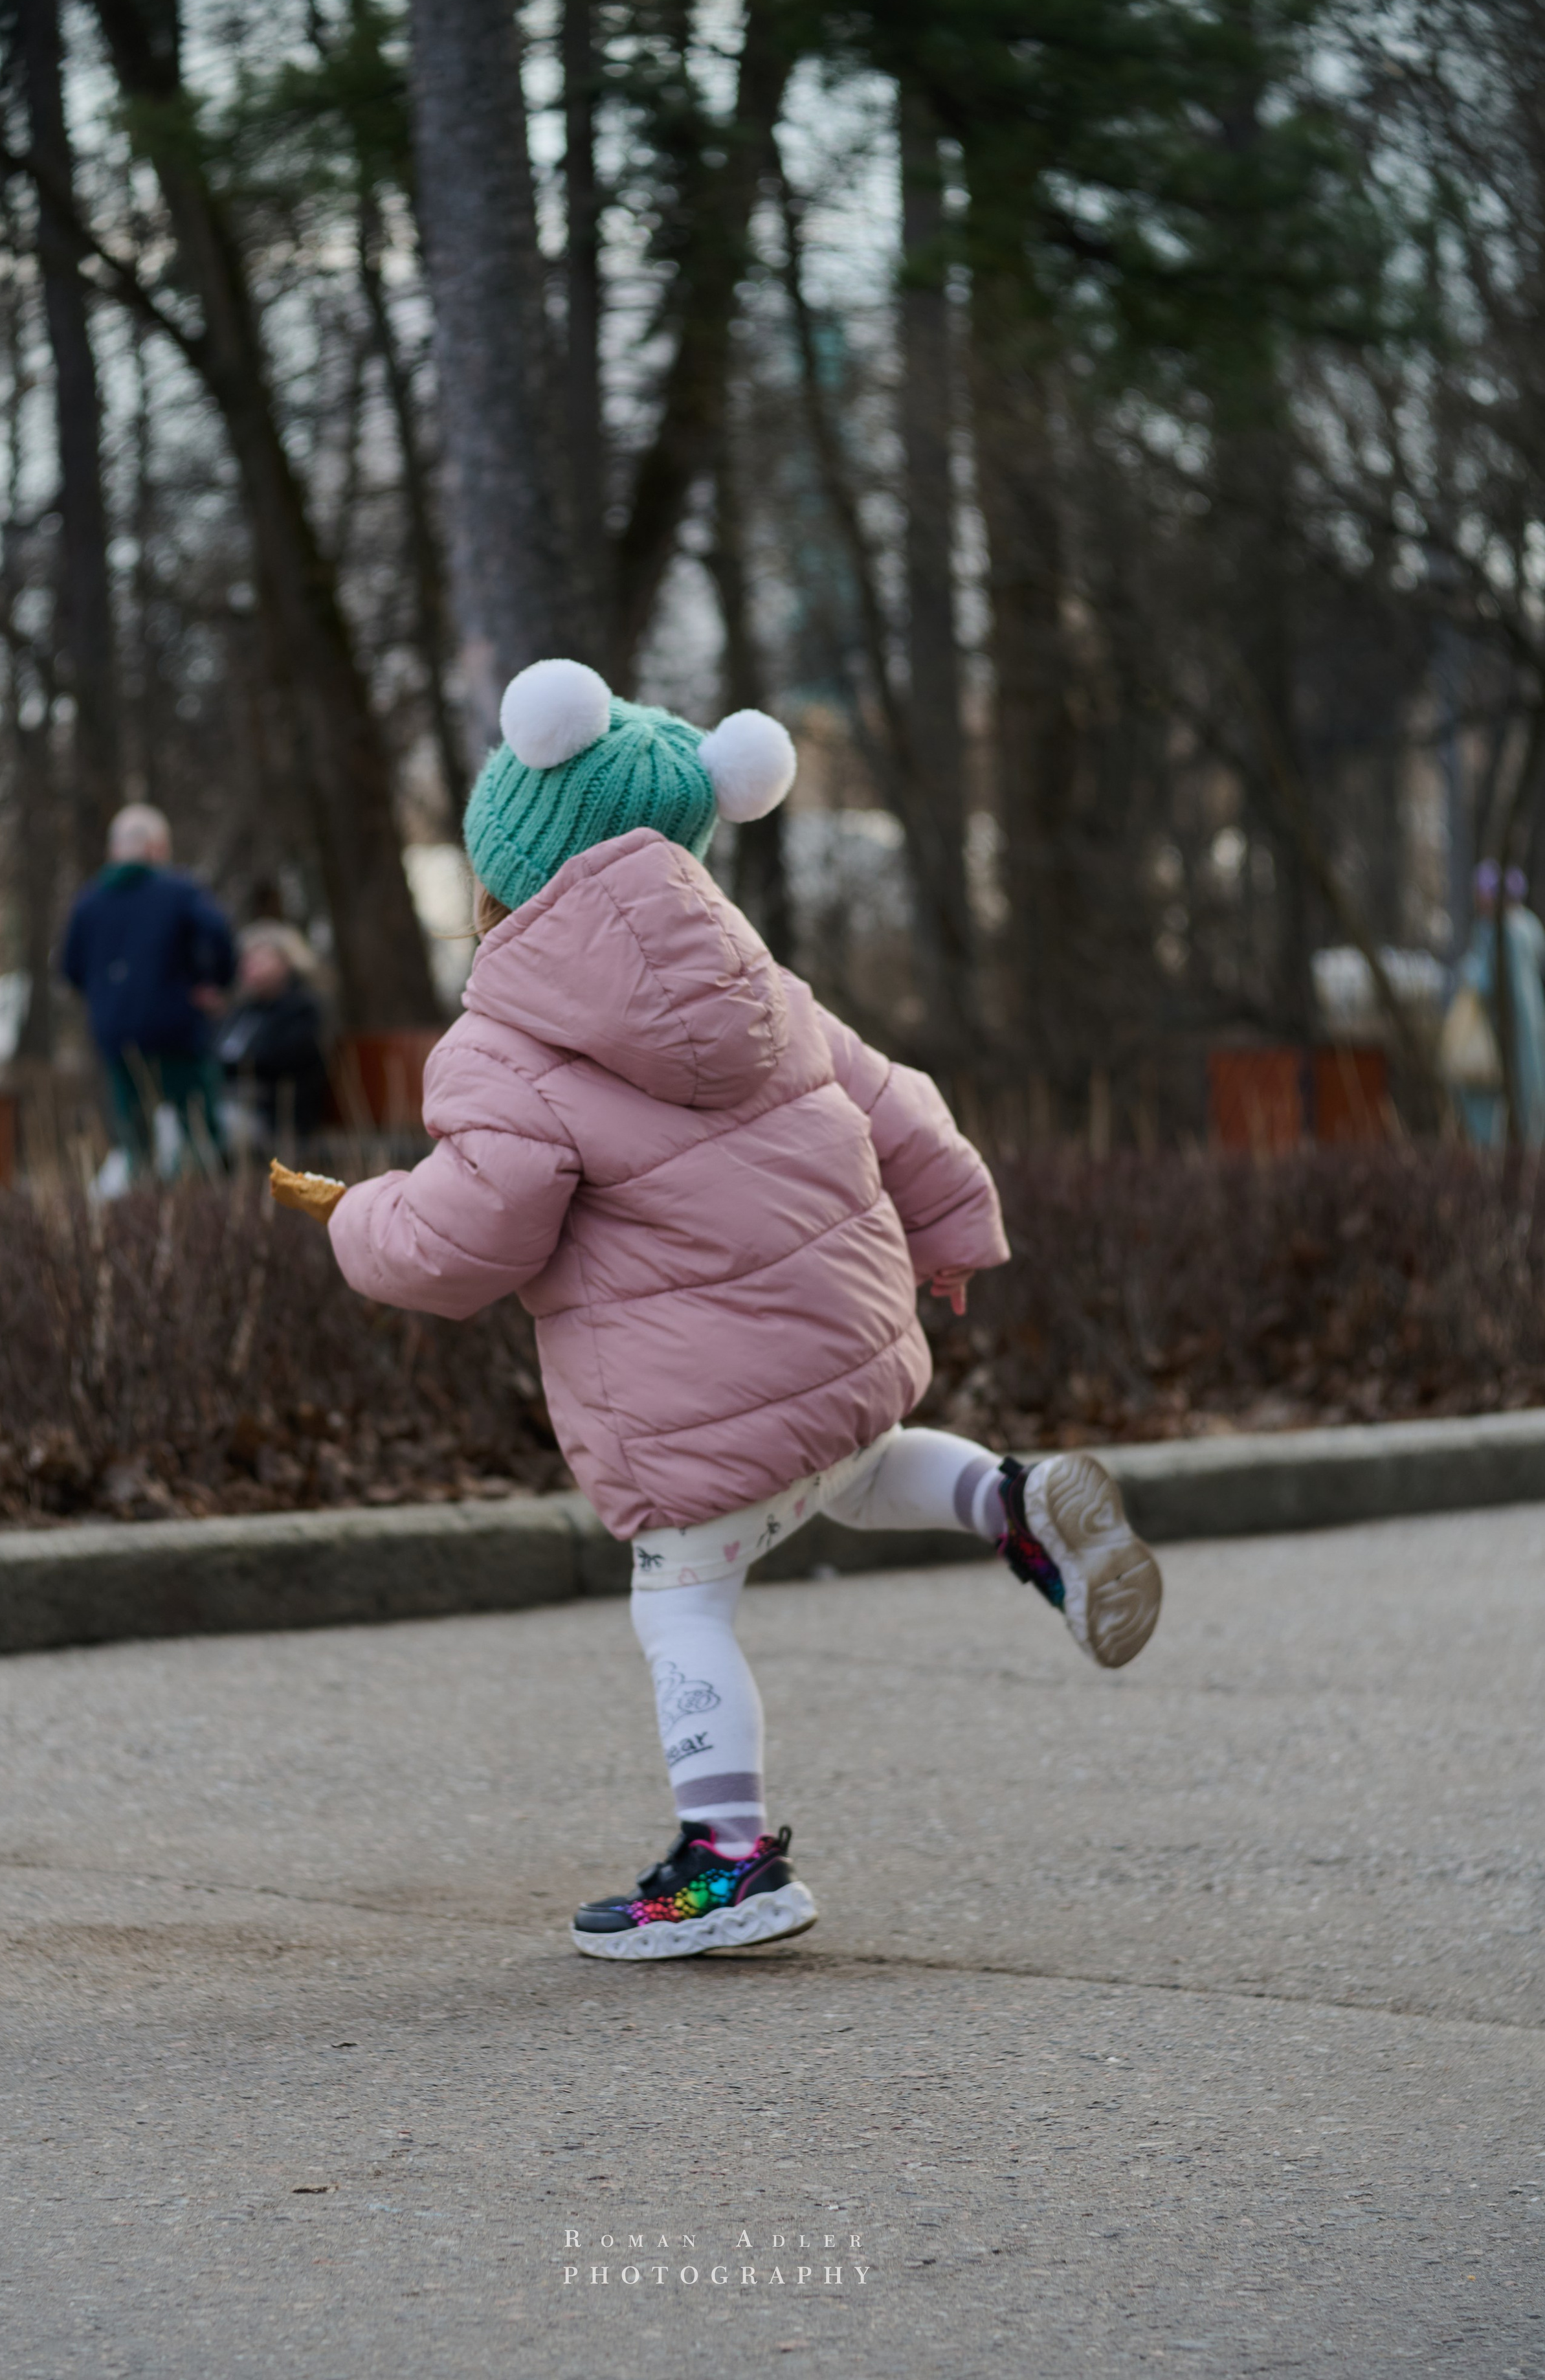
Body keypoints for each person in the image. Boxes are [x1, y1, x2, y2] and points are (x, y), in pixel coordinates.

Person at [272, 660, 1163, 1961]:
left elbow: (471, 1232)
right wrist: (955, 1233)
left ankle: (727, 1861)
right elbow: (898, 1102)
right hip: (842, 1337)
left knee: (681, 1607)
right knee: (851, 1469)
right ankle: (1011, 1499)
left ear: (502, 866)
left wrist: (359, 1218)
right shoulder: (762, 990)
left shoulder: (502, 1047)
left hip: (694, 1403)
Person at [61, 803, 235, 1182]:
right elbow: (218, 934)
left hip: (116, 1030)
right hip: (176, 1026)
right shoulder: (180, 890)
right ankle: (207, 1198)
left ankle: (140, 1197)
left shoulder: (88, 901)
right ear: (158, 847)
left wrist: (105, 996)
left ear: (114, 850)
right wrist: (214, 981)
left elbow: (69, 966)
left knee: (133, 1132)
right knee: (197, 1125)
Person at [215, 922, 329, 1152]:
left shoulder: (301, 1009)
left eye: (261, 960)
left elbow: (278, 1060)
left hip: (274, 1114)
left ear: (287, 962)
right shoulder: (243, 1010)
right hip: (232, 1103)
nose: (250, 967)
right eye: (247, 960)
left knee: (212, 1125)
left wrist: (228, 1067)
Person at [1454, 861, 1545, 1148]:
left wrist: (1465, 975)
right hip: (1529, 1026)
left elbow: (1482, 980)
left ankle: (1503, 1151)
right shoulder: (1529, 926)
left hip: (1505, 1029)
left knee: (1497, 1095)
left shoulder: (1502, 931)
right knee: (1530, 1092)